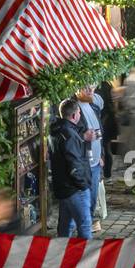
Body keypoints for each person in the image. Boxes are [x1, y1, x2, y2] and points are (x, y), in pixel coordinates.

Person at [49, 99, 92, 239]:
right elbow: (74, 163)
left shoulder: (56, 131)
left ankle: (61, 254)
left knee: (65, 226)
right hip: (74, 189)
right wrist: (83, 185)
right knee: (84, 226)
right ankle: (87, 257)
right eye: (79, 112)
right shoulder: (69, 134)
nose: (80, 115)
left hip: (63, 187)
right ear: (74, 115)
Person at [76, 86, 107, 230]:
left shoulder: (93, 106)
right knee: (83, 200)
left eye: (92, 86)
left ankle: (87, 226)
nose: (90, 90)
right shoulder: (72, 108)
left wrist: (101, 155)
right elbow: (65, 133)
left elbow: (100, 132)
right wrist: (83, 137)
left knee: (93, 199)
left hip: (95, 162)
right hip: (82, 163)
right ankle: (83, 231)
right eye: (85, 87)